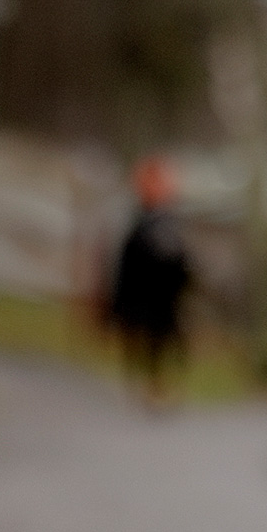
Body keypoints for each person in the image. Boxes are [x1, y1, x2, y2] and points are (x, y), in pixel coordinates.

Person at [104, 160, 196, 403]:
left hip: (162, 299)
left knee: (159, 343)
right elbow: (126, 264)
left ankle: (156, 386)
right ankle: (144, 385)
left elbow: (181, 264)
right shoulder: (139, 223)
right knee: (141, 341)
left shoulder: (167, 224)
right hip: (142, 297)